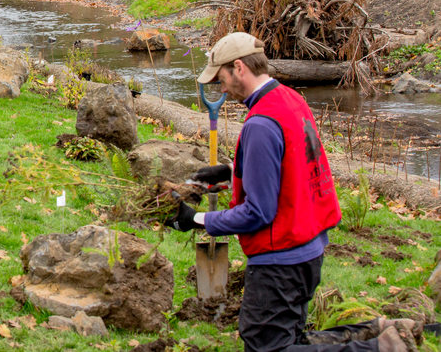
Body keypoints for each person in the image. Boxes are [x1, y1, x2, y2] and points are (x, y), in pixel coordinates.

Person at [169, 32, 420, 352]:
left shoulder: (260, 123)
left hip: (281, 260)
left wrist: (198, 219)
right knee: (289, 338)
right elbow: (292, 167)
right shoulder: (289, 99)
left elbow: (258, 212)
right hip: (308, 247)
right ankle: (378, 331)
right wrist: (233, 173)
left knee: (267, 347)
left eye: (222, 78)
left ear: (239, 68)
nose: (221, 87)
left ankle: (382, 348)